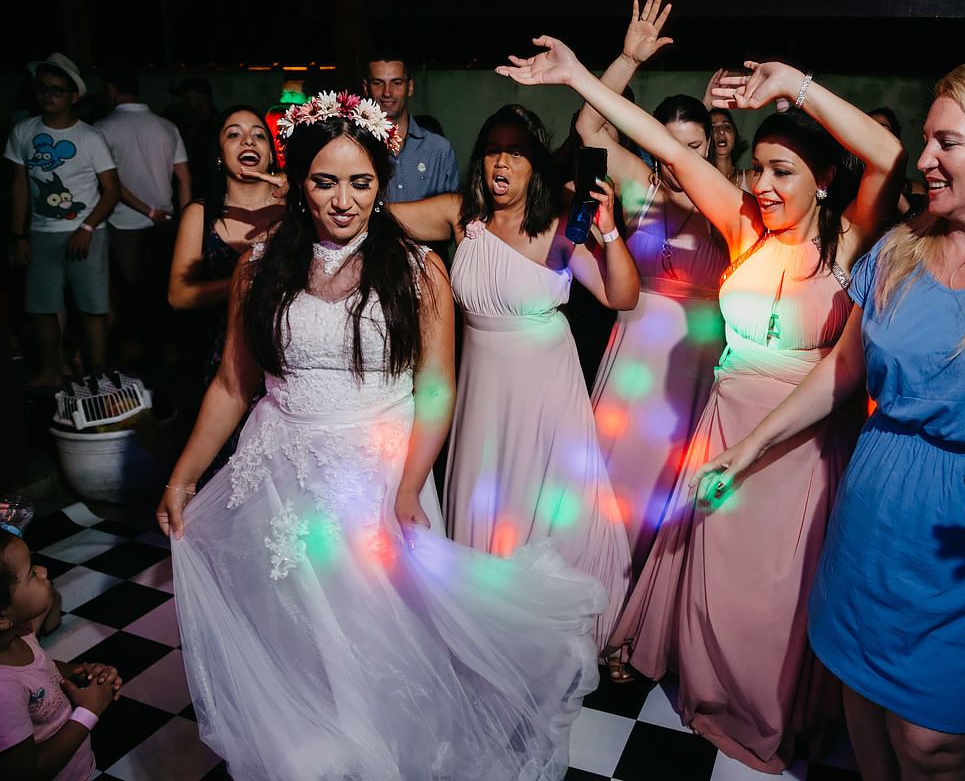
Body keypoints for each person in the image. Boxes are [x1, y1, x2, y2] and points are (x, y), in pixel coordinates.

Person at [694, 59, 965, 781]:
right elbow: (842, 372)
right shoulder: (899, 252)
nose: (925, 160)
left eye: (947, 144)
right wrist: (744, 449)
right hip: (873, 516)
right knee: (863, 715)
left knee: (930, 744)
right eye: (927, 140)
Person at [156, 91, 603, 781]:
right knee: (296, 626)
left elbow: (437, 387)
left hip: (376, 472)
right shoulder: (260, 263)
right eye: (325, 181)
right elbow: (231, 385)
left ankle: (387, 752)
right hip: (277, 467)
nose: (343, 201)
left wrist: (407, 485)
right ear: (298, 182)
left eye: (361, 183)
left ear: (381, 185)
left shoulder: (418, 268)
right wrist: (184, 477)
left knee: (374, 632)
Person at [498, 37, 904, 770]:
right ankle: (709, 693)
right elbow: (665, 148)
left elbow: (887, 155)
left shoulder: (853, 238)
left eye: (784, 172)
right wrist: (579, 77)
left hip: (804, 445)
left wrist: (798, 86)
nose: (766, 184)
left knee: (779, 592)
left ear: (826, 179)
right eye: (758, 169)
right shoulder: (745, 224)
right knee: (715, 580)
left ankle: (767, 708)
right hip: (724, 430)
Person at [388, 103, 638, 651]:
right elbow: (381, 217)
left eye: (516, 152)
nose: (502, 162)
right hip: (483, 388)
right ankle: (488, 618)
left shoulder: (558, 229)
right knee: (487, 499)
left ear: (536, 165)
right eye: (493, 150)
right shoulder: (461, 217)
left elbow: (621, 296)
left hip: (546, 386)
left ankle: (545, 624)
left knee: (547, 501)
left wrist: (610, 233)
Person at [576, 0, 729, 578]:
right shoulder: (640, 183)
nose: (678, 160)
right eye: (668, 145)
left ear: (712, 147)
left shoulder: (731, 200)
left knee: (674, 488)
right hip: (633, 350)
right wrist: (626, 58)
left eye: (693, 148)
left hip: (696, 361)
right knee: (616, 483)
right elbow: (589, 125)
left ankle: (653, 606)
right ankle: (605, 594)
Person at [167, 106, 283, 483]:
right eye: (234, 134)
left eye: (258, 134)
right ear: (219, 154)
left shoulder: (298, 212)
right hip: (227, 360)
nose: (248, 140)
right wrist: (241, 280)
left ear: (270, 153)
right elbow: (178, 297)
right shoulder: (200, 214)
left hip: (287, 360)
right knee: (232, 474)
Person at [6, 52, 120, 386]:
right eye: (43, 88)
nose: (47, 95)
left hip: (88, 233)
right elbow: (18, 187)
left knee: (93, 307)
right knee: (42, 307)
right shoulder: (23, 131)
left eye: (56, 90)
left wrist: (87, 227)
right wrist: (18, 235)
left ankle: (96, 372)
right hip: (41, 232)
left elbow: (111, 190)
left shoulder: (90, 137)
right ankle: (51, 371)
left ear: (73, 97)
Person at [0, 530, 122, 781]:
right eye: (31, 573)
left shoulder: (18, 632)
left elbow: (38, 668)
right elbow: (26, 773)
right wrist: (89, 710)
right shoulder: (3, 692)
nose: (43, 570)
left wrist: (80, 673)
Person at [96, 63, 191, 359]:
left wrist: (149, 212)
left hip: (126, 223)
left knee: (140, 294)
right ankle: (168, 349)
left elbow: (113, 186)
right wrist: (186, 220)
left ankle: (152, 354)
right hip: (166, 221)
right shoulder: (166, 125)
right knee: (165, 289)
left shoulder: (101, 129)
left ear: (112, 90)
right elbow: (184, 179)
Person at [362, 50, 459, 204]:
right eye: (378, 83)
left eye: (397, 83)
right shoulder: (357, 146)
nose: (387, 92)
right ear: (366, 88)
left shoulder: (439, 150)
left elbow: (452, 212)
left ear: (410, 87)